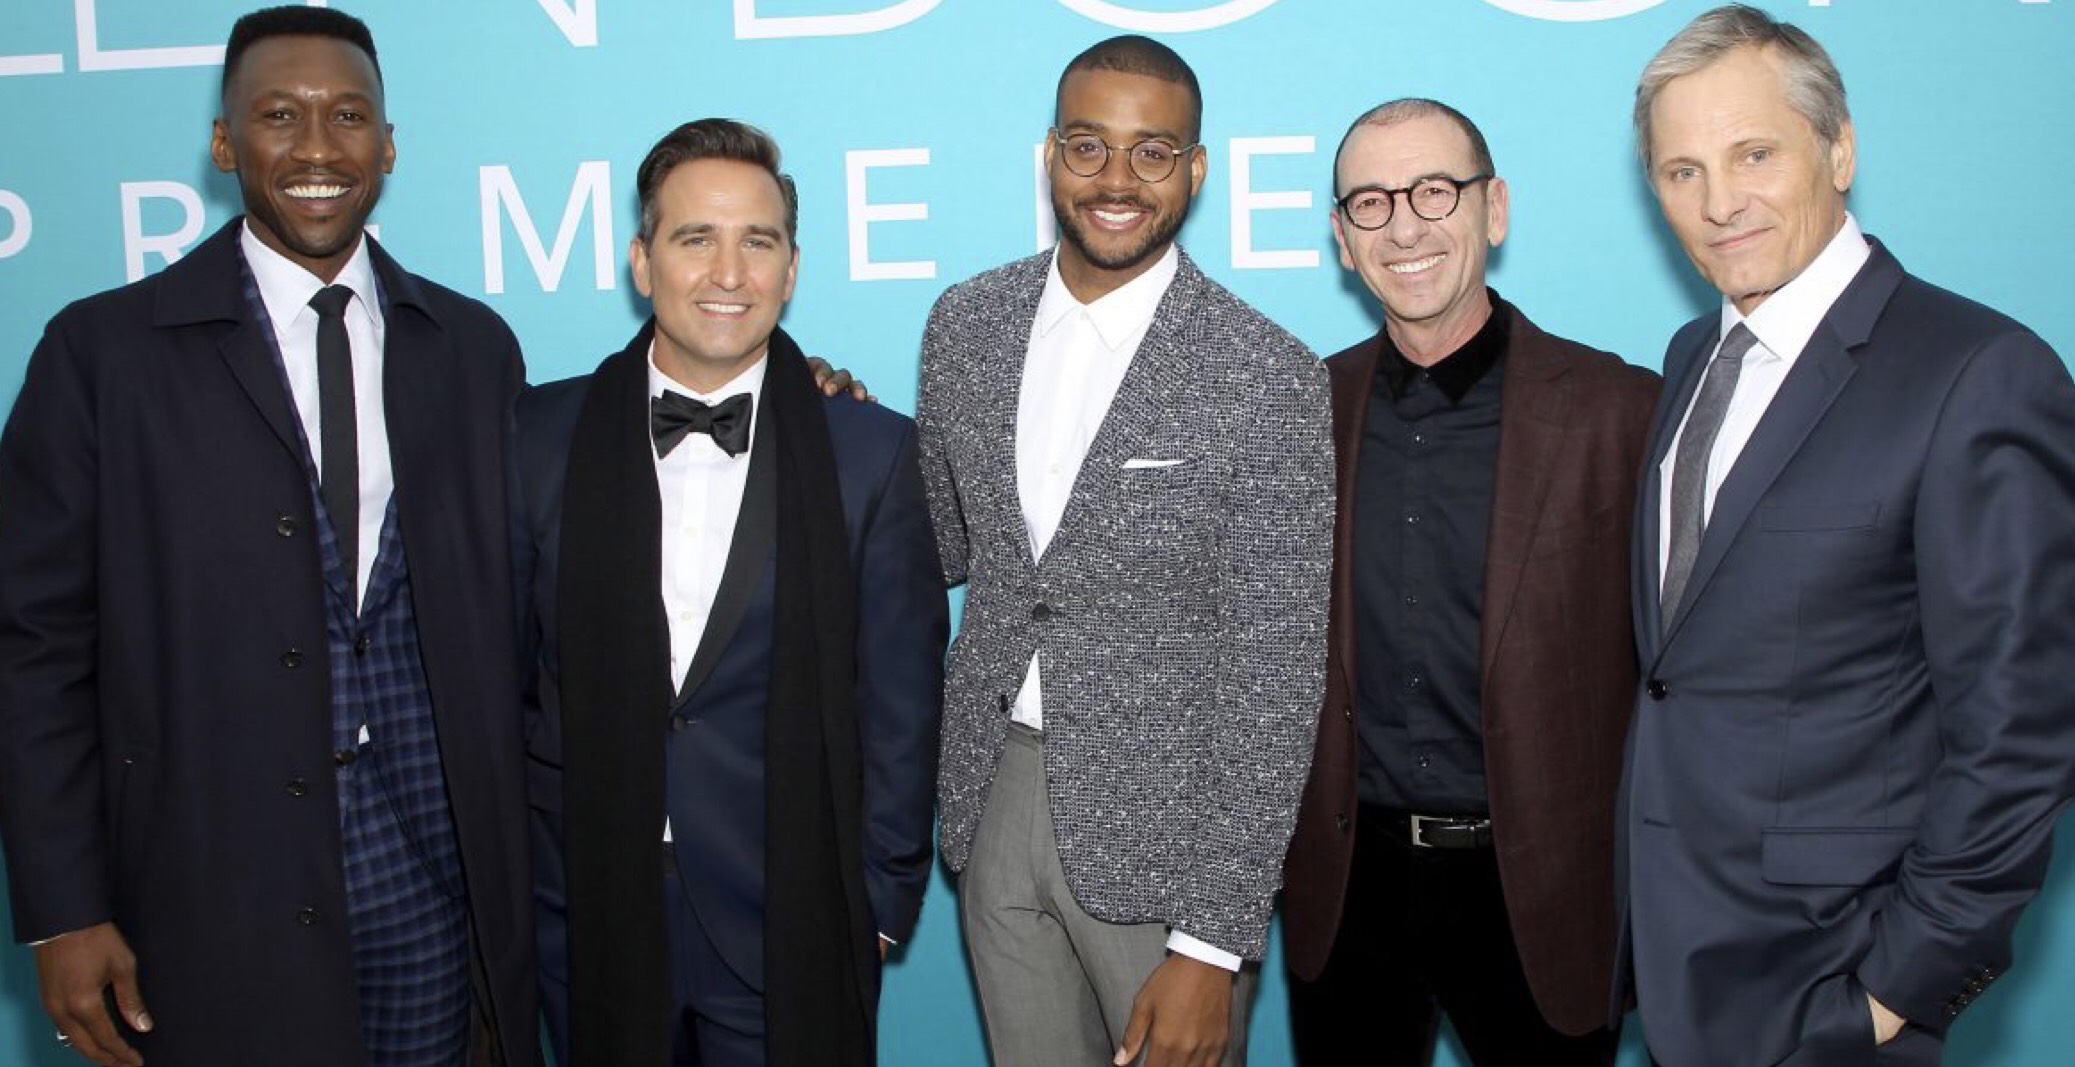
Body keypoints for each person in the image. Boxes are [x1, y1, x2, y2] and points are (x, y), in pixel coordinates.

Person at [0, 6, 536, 1067]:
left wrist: (785, 391)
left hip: (435, 877)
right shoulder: (101, 353)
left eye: (348, 116)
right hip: (209, 886)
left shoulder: (470, 349)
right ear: (223, 143)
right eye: (279, 116)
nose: (317, 148)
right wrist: (61, 906)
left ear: (388, 143)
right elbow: (33, 643)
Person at [1617, 6, 2075, 1065]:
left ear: (1839, 147)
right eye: (1680, 171)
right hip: (1681, 966)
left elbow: (2019, 732)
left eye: (1752, 153)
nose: (1718, 201)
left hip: (1830, 983)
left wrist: (1891, 990)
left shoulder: (1976, 371)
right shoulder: (1692, 354)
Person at [918, 34, 1333, 1067]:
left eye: (1152, 153)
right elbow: (932, 544)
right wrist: (818, 419)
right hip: (991, 797)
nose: (1114, 179)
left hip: (1170, 842)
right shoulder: (964, 325)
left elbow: (1274, 675)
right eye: (1086, 145)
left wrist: (1212, 937)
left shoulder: (1265, 373)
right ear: (1048, 156)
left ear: (1195, 170)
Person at [516, 118, 945, 1067]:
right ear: (641, 259)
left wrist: (876, 903)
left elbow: (903, 707)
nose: (728, 272)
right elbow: (504, 681)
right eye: (694, 238)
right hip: (586, 906)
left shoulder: (870, 454)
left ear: (791, 270)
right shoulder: (537, 437)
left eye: (758, 241)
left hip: (792, 910)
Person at [1279, 99, 1657, 1066]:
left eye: (1434, 192)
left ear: (1494, 209)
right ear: (1341, 237)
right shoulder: (1291, 417)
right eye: (1370, 202)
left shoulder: (1623, 412)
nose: (1404, 225)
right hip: (1347, 885)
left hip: (1543, 893)